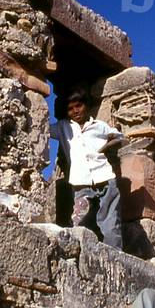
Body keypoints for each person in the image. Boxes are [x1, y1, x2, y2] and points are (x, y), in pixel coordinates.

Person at [50, 88, 125, 249]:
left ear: (86, 106)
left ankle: (115, 255)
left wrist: (107, 145)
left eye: (78, 106)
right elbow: (45, 129)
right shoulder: (63, 127)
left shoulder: (99, 126)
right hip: (80, 182)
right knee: (80, 220)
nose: (75, 111)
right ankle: (80, 252)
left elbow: (119, 137)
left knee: (110, 222)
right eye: (70, 109)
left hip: (105, 177)